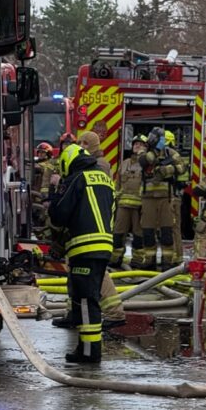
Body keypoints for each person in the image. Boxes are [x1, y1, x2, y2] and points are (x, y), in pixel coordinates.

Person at [48, 143, 115, 364]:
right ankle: (86, 348)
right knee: (86, 299)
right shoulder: (104, 178)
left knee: (86, 300)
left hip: (85, 247)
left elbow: (60, 214)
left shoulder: (78, 179)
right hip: (103, 246)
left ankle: (89, 352)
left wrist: (55, 190)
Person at [76, 131, 126, 331]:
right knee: (76, 269)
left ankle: (115, 313)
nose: (81, 145)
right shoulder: (93, 163)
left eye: (84, 142)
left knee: (98, 270)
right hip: (90, 225)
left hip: (97, 227)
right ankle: (75, 312)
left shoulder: (100, 165)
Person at [138, 126, 180, 269]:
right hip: (148, 198)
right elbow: (144, 161)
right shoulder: (144, 151)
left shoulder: (170, 153)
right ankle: (149, 260)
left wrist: (167, 170)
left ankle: (167, 261)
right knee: (148, 231)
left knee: (167, 231)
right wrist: (156, 150)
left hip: (165, 198)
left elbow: (182, 167)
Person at [112, 134, 146, 269]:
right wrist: (115, 199)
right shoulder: (125, 163)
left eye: (141, 144)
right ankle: (115, 259)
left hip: (140, 206)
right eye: (135, 144)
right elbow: (118, 183)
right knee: (118, 233)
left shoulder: (146, 164)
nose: (137, 146)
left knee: (139, 235)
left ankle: (137, 260)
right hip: (123, 205)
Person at [164, 129, 188, 263]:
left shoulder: (172, 155)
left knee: (172, 227)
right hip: (169, 196)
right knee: (172, 227)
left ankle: (175, 257)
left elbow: (180, 170)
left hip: (172, 196)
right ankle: (174, 256)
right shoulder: (173, 155)